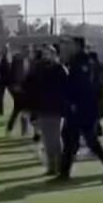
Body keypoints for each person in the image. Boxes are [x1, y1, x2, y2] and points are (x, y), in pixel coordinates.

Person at [60, 38, 103, 180]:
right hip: (79, 108)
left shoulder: (83, 63)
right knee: (69, 139)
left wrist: (74, 103)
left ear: (77, 46)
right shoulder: (77, 61)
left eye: (70, 45)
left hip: (83, 108)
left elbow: (83, 87)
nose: (67, 47)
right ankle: (64, 173)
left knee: (90, 141)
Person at [28, 45, 66, 175]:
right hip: (43, 109)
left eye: (49, 53)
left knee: (56, 138)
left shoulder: (60, 70)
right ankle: (51, 166)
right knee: (47, 140)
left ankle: (59, 166)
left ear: (55, 55)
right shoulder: (40, 69)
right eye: (44, 54)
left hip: (56, 109)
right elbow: (34, 89)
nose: (46, 56)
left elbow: (65, 90)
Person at [0, 44, 12, 115]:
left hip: (7, 79)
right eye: (2, 49)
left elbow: (9, 68)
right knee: (0, 96)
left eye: (4, 49)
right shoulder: (0, 57)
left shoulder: (8, 57)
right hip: (1, 79)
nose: (2, 50)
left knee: (14, 95)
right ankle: (0, 111)